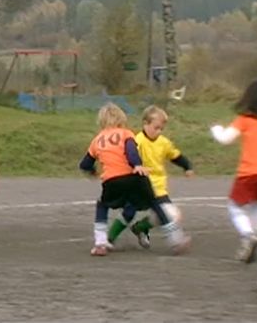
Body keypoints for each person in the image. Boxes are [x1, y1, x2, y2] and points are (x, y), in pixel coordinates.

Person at [79, 103, 190, 256]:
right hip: (134, 177)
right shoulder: (126, 133)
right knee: (155, 204)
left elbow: (84, 164)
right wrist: (137, 165)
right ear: (121, 119)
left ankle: (100, 243)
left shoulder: (97, 140)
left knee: (102, 205)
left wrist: (92, 171)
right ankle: (175, 239)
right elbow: (131, 151)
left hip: (111, 181)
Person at [210, 80, 257, 293]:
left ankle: (248, 236)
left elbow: (225, 139)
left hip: (249, 173)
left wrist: (216, 128)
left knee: (234, 207)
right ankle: (253, 238)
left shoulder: (244, 120)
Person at [107, 105, 194, 248]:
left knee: (169, 214)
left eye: (161, 129)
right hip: (139, 186)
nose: (159, 131)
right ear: (145, 124)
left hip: (158, 189)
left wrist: (187, 167)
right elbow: (129, 158)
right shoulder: (137, 141)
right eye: (156, 127)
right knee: (128, 212)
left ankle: (141, 228)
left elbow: (176, 156)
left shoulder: (164, 143)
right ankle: (109, 239)